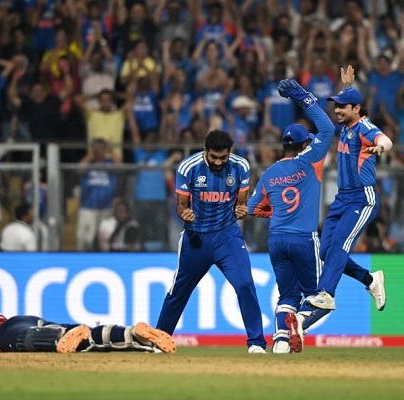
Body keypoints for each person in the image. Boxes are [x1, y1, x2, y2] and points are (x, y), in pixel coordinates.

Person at [292, 66, 390, 351]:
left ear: (356, 109)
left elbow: (384, 139)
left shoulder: (364, 127)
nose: (336, 110)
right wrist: (347, 85)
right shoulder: (346, 127)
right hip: (342, 199)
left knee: (339, 247)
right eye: (335, 105)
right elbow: (348, 102)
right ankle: (370, 279)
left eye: (342, 106)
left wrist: (380, 148)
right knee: (326, 251)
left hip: (362, 198)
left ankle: (326, 293)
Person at [155, 129, 267, 354]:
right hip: (196, 237)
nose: (218, 162)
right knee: (179, 291)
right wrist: (185, 213)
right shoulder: (188, 167)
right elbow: (181, 206)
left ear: (229, 152)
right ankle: (159, 341)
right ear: (205, 151)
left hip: (227, 236)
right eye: (214, 157)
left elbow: (240, 203)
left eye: (223, 157)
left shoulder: (241, 166)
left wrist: (242, 209)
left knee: (245, 284)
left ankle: (256, 343)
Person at [247, 79, 335, 353]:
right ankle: (299, 321)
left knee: (286, 295)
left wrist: (273, 212)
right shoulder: (311, 160)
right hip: (304, 239)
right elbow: (328, 128)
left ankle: (281, 343)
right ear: (306, 143)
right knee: (321, 297)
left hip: (277, 239)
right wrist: (303, 97)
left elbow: (252, 208)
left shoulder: (269, 173)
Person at [0, 308, 176, 355]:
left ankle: (57, 340)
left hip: (3, 336)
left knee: (28, 342)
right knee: (85, 336)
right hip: (21, 319)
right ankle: (132, 334)